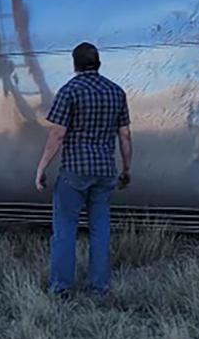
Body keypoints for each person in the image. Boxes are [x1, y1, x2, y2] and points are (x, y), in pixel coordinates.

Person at [34, 42, 132, 296]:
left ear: (74, 64)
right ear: (98, 63)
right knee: (100, 231)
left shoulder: (70, 91)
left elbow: (57, 134)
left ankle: (61, 287)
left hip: (75, 170)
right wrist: (127, 168)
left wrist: (42, 166)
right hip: (105, 170)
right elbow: (125, 135)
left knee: (65, 230)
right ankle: (99, 287)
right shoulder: (116, 92)